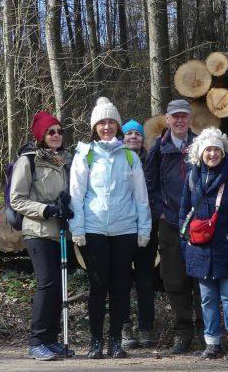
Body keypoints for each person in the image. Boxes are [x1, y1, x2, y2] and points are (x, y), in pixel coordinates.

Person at [69, 97, 153, 359]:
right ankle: (96, 341)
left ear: (117, 125)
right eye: (102, 122)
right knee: (98, 287)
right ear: (95, 127)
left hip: (125, 231)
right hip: (94, 230)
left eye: (111, 122)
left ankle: (116, 341)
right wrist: (78, 228)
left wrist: (144, 230)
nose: (107, 127)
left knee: (120, 287)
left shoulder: (129, 156)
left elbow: (141, 197)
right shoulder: (86, 154)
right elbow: (76, 195)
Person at [179, 128, 228, 361]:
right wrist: (186, 245)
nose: (212, 154)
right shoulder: (192, 177)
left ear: (223, 152)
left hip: (227, 247)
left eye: (216, 150)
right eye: (208, 149)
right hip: (200, 248)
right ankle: (212, 343)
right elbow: (183, 213)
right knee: (207, 298)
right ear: (200, 153)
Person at [10, 111, 76, 361]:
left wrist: (67, 205)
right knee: (47, 283)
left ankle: (51, 339)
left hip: (60, 232)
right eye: (51, 132)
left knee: (59, 287)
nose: (56, 135)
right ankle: (37, 341)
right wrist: (46, 209)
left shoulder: (66, 160)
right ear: (41, 136)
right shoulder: (28, 161)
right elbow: (17, 199)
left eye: (59, 131)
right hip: (37, 231)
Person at [144, 100, 200, 354]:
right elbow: (150, 184)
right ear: (167, 119)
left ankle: (208, 332)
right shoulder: (159, 148)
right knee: (174, 279)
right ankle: (183, 332)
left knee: (203, 278)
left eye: (183, 117)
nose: (179, 121)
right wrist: (161, 212)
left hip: (200, 222)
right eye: (175, 117)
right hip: (170, 223)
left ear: (189, 119)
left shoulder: (201, 145)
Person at [120, 119, 155, 349]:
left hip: (146, 228)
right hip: (121, 228)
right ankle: (124, 327)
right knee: (121, 281)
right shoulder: (116, 159)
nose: (133, 137)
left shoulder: (151, 160)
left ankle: (146, 327)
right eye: (129, 133)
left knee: (145, 281)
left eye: (138, 134)